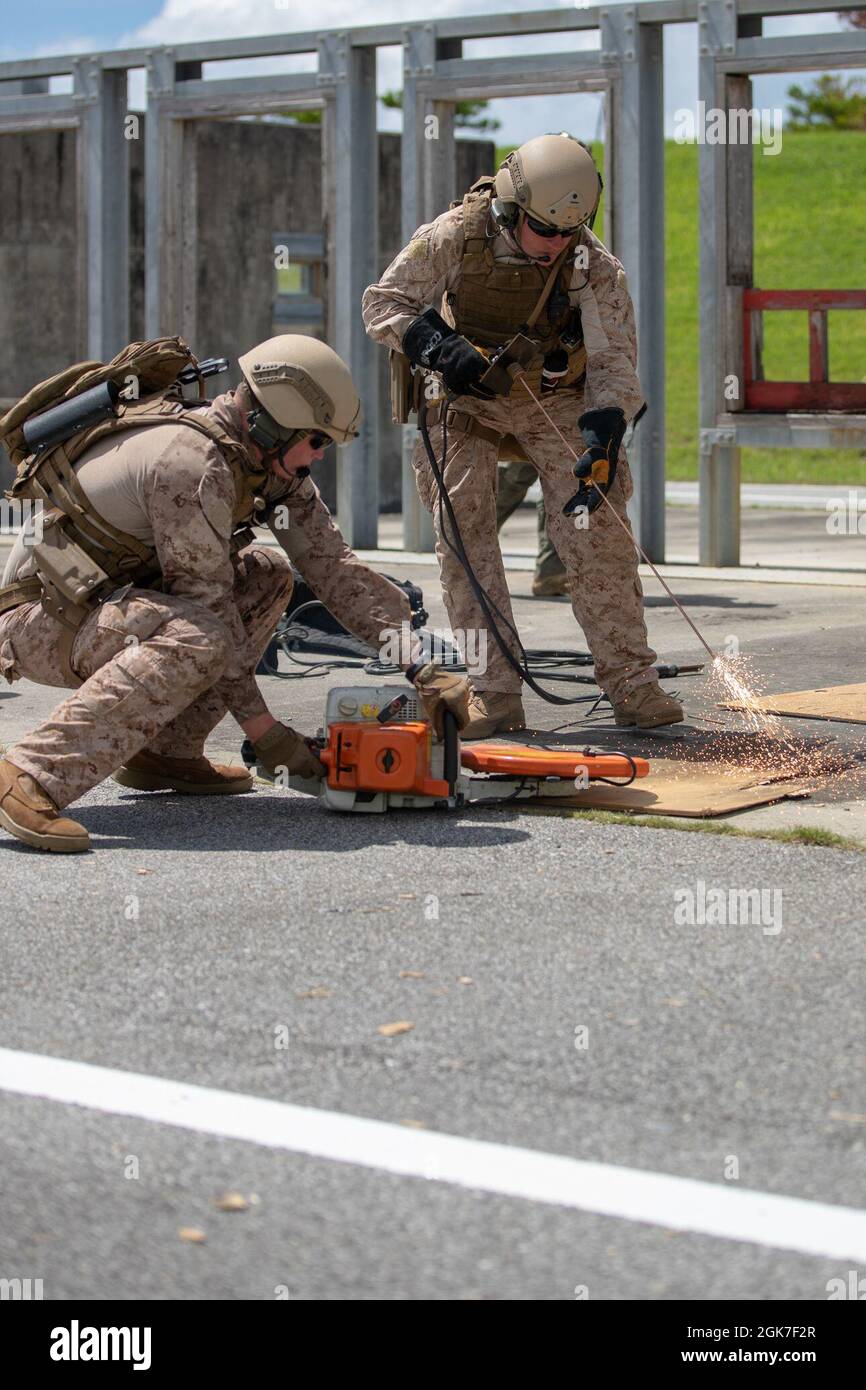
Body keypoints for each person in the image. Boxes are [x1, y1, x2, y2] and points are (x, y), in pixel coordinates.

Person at [0, 335, 468, 853]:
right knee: (199, 635)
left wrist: (418, 662)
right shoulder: (192, 464)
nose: (319, 456)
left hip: (114, 606)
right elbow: (207, 607)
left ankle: (168, 753)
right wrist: (266, 733)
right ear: (273, 422)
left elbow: (332, 566)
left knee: (268, 576)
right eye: (316, 441)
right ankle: (28, 773)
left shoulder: (264, 462)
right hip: (42, 620)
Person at [363, 132, 682, 739]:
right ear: (510, 209)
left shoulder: (591, 260)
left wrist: (605, 432)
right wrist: (439, 346)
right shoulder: (455, 234)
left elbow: (614, 357)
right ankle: (494, 693)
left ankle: (633, 685)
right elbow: (384, 303)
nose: (559, 243)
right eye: (547, 230)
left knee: (599, 527)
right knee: (464, 535)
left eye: (571, 231)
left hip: (552, 396)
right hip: (466, 396)